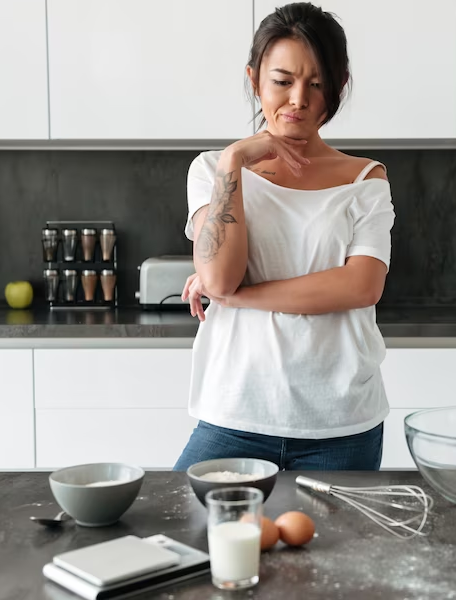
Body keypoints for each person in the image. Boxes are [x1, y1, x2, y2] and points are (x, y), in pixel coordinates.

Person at [173, 2, 395, 471]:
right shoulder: (213, 169)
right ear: (254, 80)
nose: (298, 99)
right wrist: (235, 159)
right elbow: (218, 276)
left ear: (339, 87)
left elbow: (360, 287)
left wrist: (237, 298)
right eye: (282, 81)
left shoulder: (365, 179)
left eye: (316, 84)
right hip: (233, 414)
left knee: (339, 549)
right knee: (185, 538)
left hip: (340, 426)